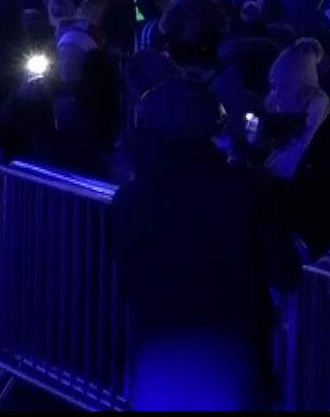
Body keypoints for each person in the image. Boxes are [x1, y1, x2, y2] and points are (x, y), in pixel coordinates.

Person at [109, 79, 301, 411]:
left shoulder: (129, 200)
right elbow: (285, 270)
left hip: (158, 358)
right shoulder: (244, 191)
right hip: (232, 357)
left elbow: (122, 280)